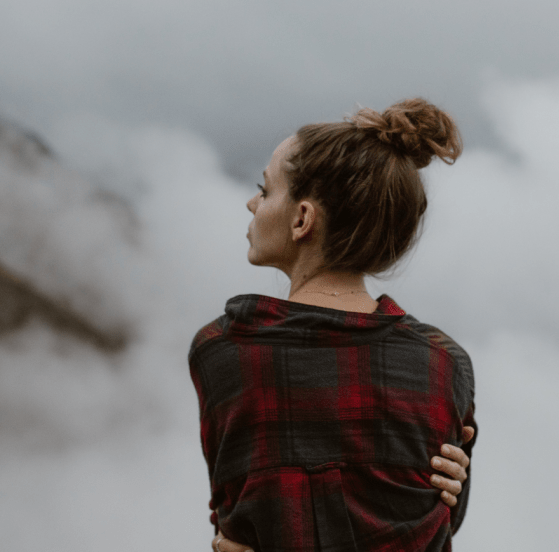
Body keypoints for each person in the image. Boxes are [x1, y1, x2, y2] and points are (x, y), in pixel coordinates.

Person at [190, 98, 477, 552]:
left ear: (303, 219)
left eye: (264, 191)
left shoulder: (223, 350)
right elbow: (444, 517)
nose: (251, 203)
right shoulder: (445, 364)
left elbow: (232, 516)